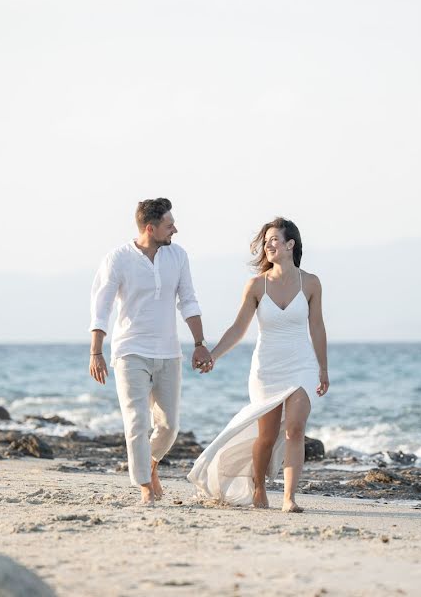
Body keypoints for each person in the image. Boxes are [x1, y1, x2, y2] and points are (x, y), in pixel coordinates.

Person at [188, 217, 329, 512]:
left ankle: (289, 498)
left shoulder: (311, 283)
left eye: (274, 239)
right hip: (267, 368)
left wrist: (323, 368)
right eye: (265, 241)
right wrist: (213, 355)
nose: (268, 245)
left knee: (294, 429)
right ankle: (259, 488)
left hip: (300, 364)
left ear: (291, 245)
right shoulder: (256, 285)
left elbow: (317, 327)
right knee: (265, 436)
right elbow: (239, 328)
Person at [89, 198, 213, 505]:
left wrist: (199, 344)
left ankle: (151, 463)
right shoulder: (118, 259)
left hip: (169, 353)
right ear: (151, 228)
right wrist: (96, 351)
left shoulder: (178, 256)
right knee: (136, 421)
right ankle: (145, 485)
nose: (176, 229)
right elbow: (101, 307)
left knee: (169, 426)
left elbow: (188, 300)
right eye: (169, 225)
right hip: (130, 350)